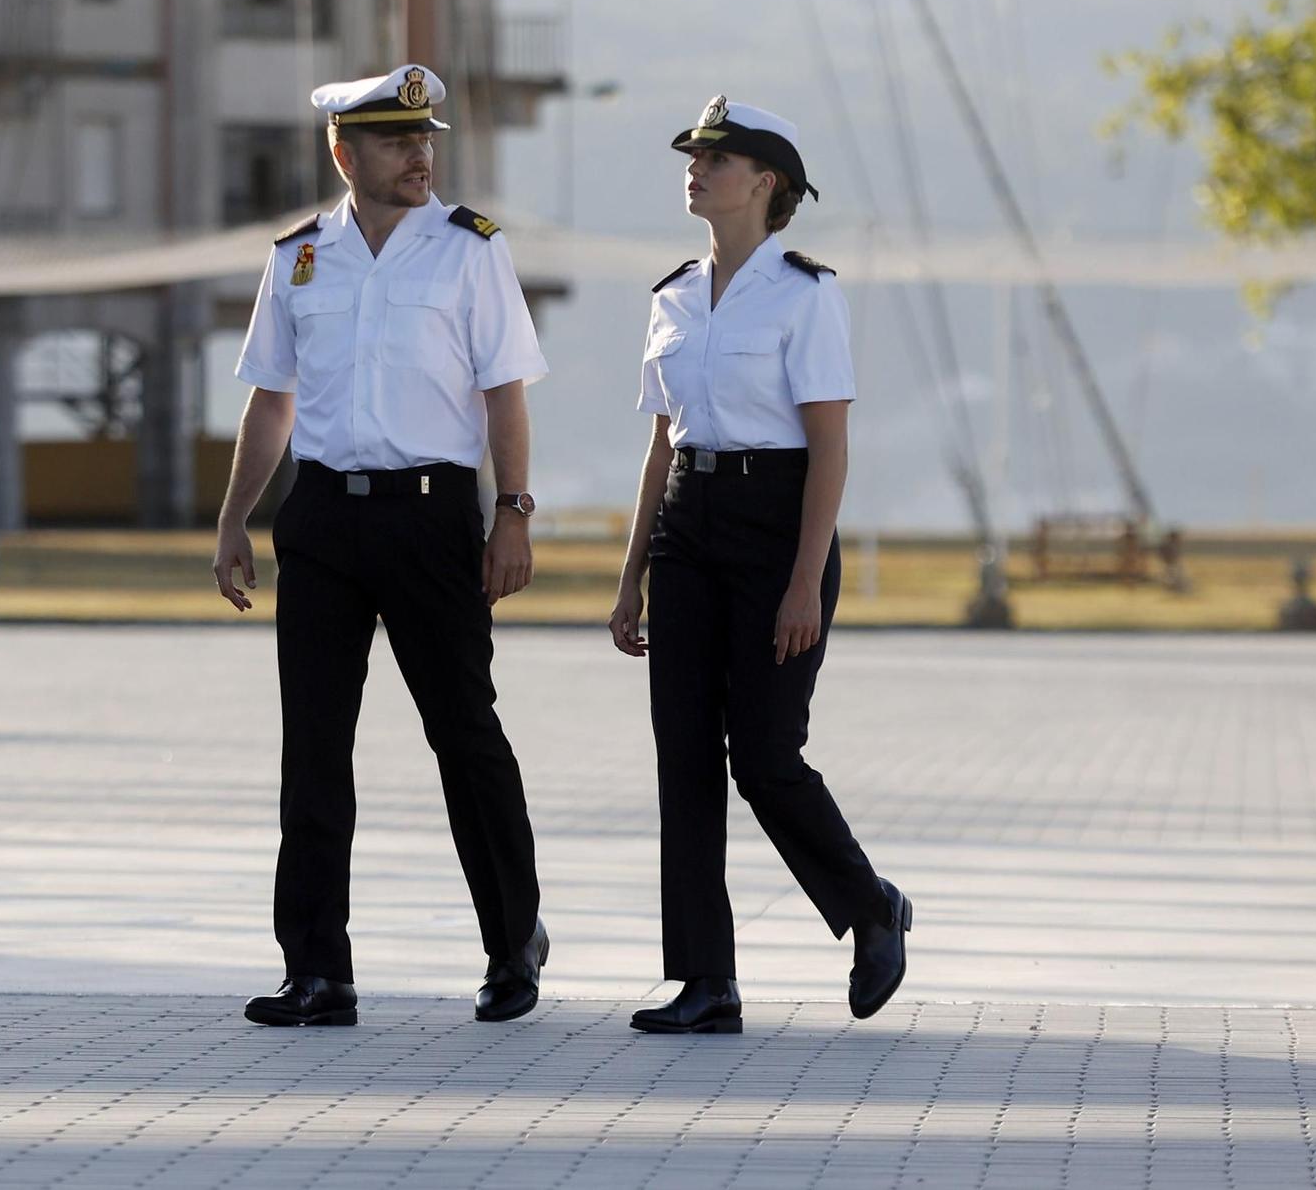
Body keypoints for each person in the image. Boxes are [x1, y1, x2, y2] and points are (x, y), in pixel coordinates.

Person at [213, 64, 550, 1027]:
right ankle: (318, 970)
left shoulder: (470, 249)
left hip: (431, 517)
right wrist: (235, 517)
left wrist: (512, 510)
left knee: (464, 733)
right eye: (397, 141)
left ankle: (512, 944)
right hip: (322, 518)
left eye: (424, 139)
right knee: (314, 747)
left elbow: (504, 392)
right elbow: (271, 400)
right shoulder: (299, 256)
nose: (419, 154)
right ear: (344, 153)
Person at [607, 95, 911, 1034]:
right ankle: (706, 981)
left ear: (765, 182)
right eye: (692, 157)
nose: (695, 170)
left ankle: (870, 906)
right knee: (685, 758)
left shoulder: (806, 295)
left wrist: (803, 580)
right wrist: (631, 574)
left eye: (717, 159)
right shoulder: (672, 297)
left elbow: (830, 449)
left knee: (768, 757)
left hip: (778, 527)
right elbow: (662, 444)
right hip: (687, 526)